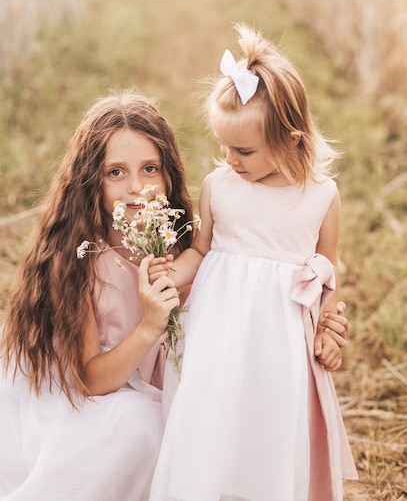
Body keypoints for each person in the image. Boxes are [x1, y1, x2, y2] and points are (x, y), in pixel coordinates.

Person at [148, 25, 358, 501]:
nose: (229, 159)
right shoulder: (218, 186)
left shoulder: (321, 196)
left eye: (243, 150)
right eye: (222, 145)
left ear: (291, 139)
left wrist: (327, 328)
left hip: (280, 342)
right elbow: (200, 251)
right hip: (215, 333)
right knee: (210, 412)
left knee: (269, 424)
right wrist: (171, 275)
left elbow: (327, 266)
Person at [0, 92, 194, 500]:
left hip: (156, 383)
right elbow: (90, 381)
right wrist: (149, 325)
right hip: (88, 391)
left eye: (150, 168)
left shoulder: (180, 245)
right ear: (91, 181)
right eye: (116, 173)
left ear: (170, 175)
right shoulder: (74, 259)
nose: (137, 187)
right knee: (139, 426)